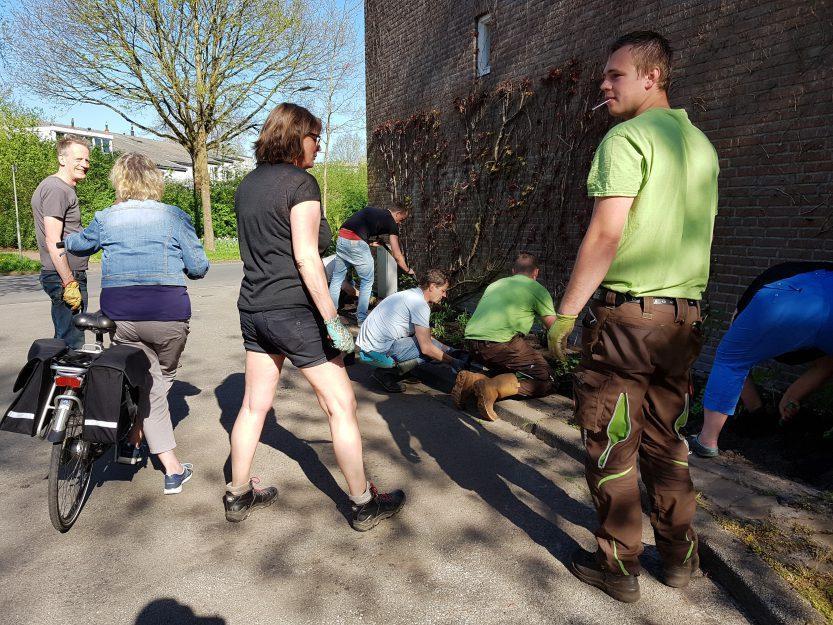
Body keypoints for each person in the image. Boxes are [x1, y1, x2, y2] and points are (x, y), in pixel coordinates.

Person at [549, 32, 719, 602]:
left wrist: (565, 314)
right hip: (684, 323)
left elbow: (606, 233)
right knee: (668, 444)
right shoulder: (699, 145)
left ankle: (617, 568)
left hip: (629, 324)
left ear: (652, 78)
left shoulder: (627, 138)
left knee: (612, 442)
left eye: (615, 74)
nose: (604, 83)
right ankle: (680, 558)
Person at [229, 102, 405, 528]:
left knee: (253, 405)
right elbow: (307, 258)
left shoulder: (246, 185)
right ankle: (364, 503)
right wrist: (331, 320)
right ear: (295, 138)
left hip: (253, 309)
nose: (319, 147)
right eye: (314, 138)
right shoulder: (300, 184)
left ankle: (237, 494)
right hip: (294, 313)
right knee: (340, 406)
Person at [64, 152, 209, 495]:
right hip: (168, 315)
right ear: (155, 181)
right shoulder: (174, 216)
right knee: (160, 381)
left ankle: (133, 438)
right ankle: (171, 468)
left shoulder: (106, 218)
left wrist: (63, 237)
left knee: (146, 381)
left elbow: (77, 245)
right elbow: (199, 267)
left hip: (120, 317)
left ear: (120, 182)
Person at [688, 262, 833, 457]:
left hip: (789, 295)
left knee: (731, 358)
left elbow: (736, 359)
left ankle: (707, 440)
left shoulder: (761, 290)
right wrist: (792, 396)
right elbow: (824, 366)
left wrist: (756, 411)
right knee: (827, 363)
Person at [451, 252, 556, 421]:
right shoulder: (537, 289)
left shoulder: (496, 284)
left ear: (513, 271)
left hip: (471, 342)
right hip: (500, 344)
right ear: (536, 272)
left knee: (507, 367)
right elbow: (554, 328)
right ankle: (491, 388)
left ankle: (473, 381)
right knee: (545, 377)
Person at [356, 269, 461, 393]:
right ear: (432, 286)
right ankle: (386, 373)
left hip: (367, 348)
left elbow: (424, 336)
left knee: (434, 347)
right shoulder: (420, 305)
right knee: (430, 352)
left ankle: (401, 371)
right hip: (378, 353)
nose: (444, 295)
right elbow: (426, 347)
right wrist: (453, 361)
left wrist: (449, 350)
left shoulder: (410, 294)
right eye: (443, 290)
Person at [31, 136, 91, 349]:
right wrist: (68, 281)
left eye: (86, 160)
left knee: (64, 340)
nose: (84, 164)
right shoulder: (58, 189)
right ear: (62, 159)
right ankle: (62, 383)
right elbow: (53, 238)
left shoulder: (61, 188)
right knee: (72, 345)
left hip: (63, 275)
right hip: (64, 276)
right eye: (78, 159)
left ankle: (57, 382)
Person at [328, 204, 414, 324]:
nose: (400, 223)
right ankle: (362, 319)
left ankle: (331, 317)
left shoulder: (373, 210)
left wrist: (369, 242)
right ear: (398, 214)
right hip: (356, 243)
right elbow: (397, 254)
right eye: (402, 219)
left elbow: (356, 228)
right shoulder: (391, 222)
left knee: (337, 279)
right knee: (367, 281)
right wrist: (407, 269)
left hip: (342, 237)